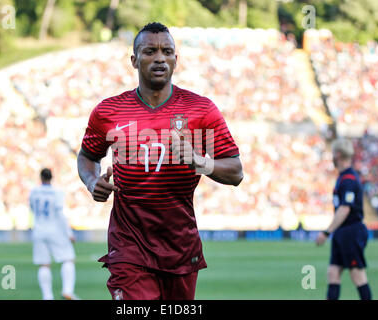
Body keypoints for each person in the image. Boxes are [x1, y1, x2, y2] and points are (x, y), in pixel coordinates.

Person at [77, 22, 243, 300]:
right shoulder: (108, 111)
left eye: (167, 51)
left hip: (180, 247)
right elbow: (87, 157)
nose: (159, 58)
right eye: (150, 51)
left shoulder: (201, 110)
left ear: (176, 59)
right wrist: (93, 181)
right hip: (128, 246)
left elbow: (235, 171)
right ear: (134, 60)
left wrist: (200, 162)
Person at [316, 138, 372, 300]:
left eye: (333, 153)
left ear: (338, 154)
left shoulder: (348, 179)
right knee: (333, 272)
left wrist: (327, 232)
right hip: (343, 232)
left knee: (358, 275)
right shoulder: (343, 177)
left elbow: (345, 208)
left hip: (351, 231)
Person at [29, 168, 79, 300]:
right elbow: (59, 213)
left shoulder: (34, 191)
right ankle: (67, 291)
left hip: (39, 229)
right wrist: (68, 233)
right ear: (52, 177)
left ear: (41, 177)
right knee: (68, 258)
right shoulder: (57, 192)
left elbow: (32, 209)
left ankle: (47, 296)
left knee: (44, 264)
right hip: (54, 229)